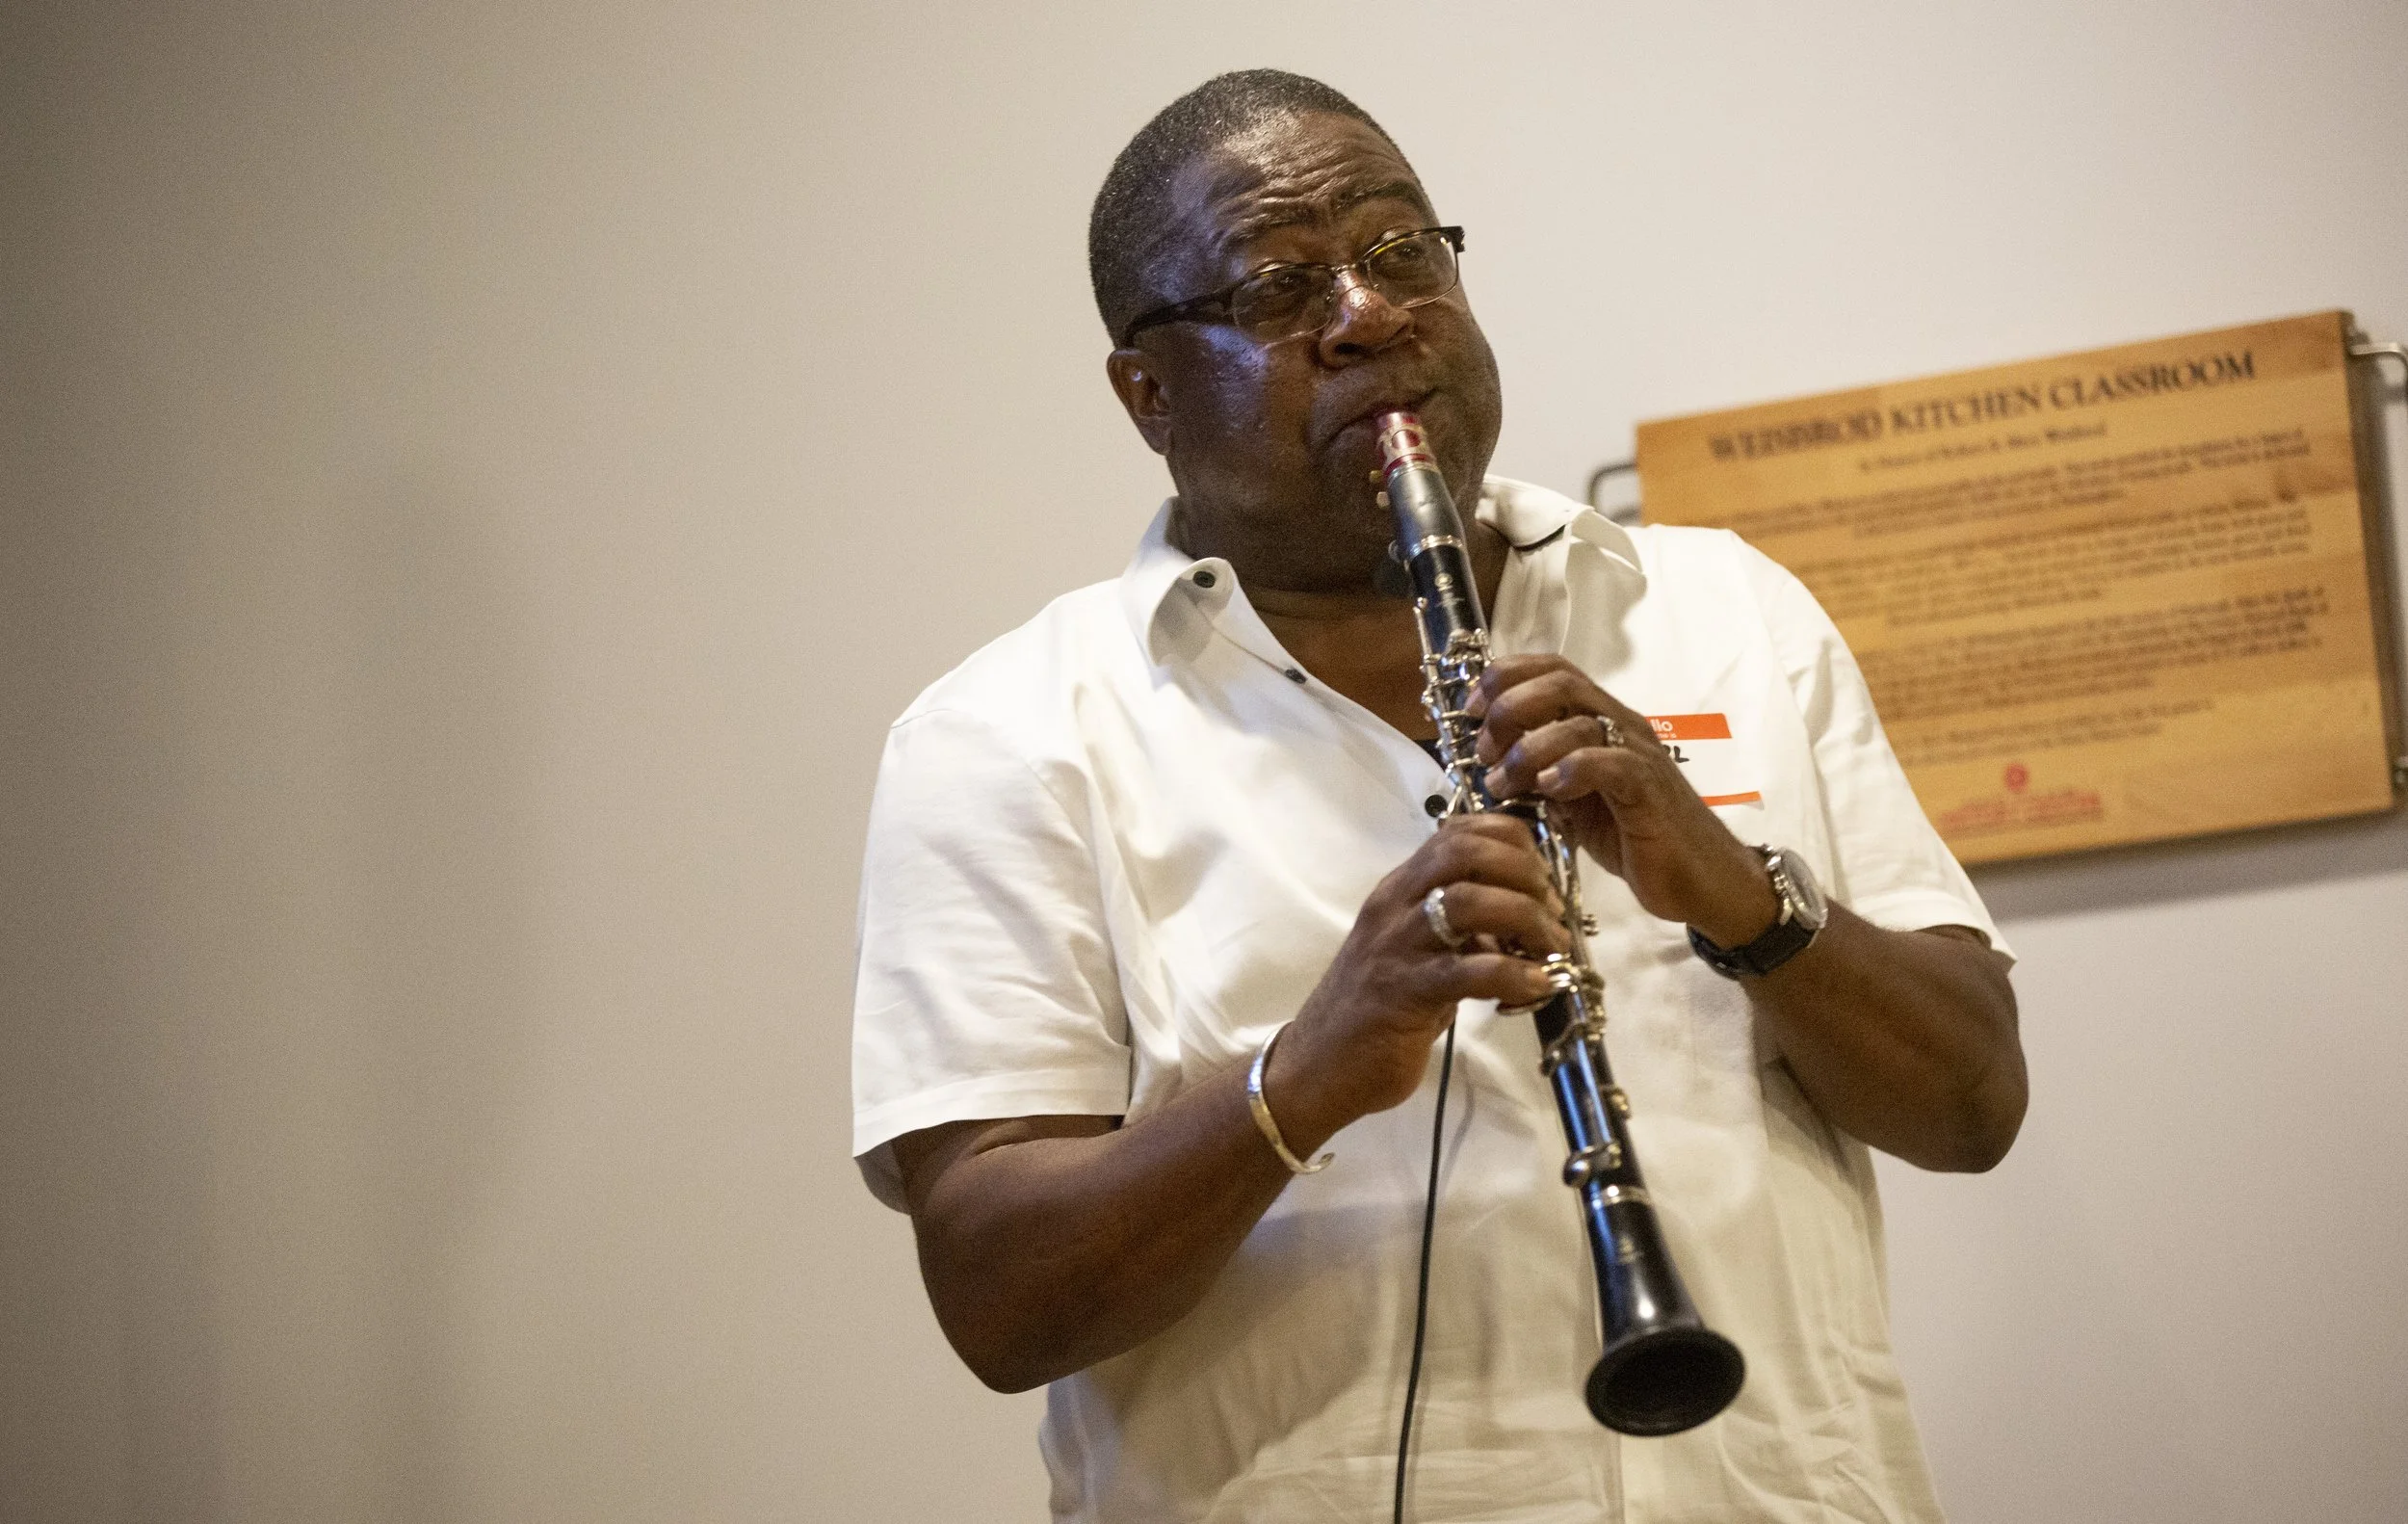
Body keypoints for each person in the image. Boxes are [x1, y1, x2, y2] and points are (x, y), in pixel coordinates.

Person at [851, 69, 2025, 1524]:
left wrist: (1733, 890)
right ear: (1147, 391)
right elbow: (999, 1298)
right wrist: (1316, 1066)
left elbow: (1975, 1101)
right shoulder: (1003, 735)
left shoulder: (1731, 608)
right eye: (1282, 287)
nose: (1367, 314)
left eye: (1403, 252)